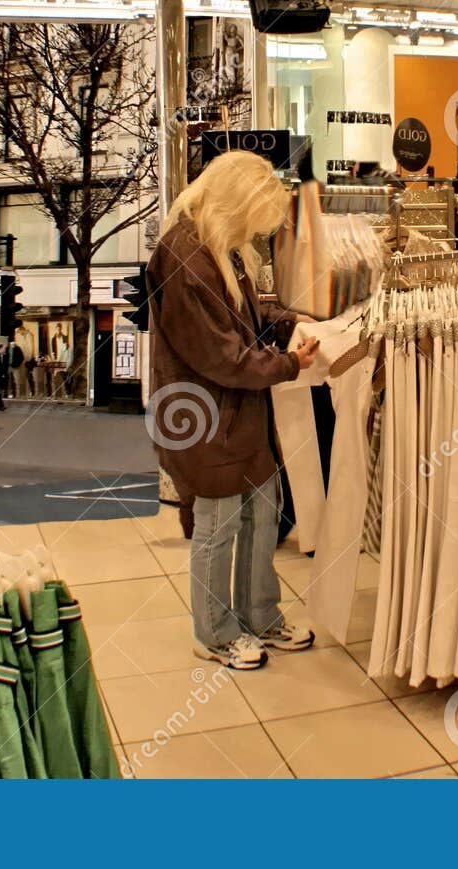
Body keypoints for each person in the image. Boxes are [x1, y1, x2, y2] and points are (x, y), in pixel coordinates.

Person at [147, 150, 320, 671]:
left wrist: (291, 323)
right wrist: (288, 364)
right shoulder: (183, 257)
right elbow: (219, 354)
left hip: (234, 413)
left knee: (261, 516)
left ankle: (258, 616)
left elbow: (244, 316)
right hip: (205, 417)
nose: (257, 233)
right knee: (218, 525)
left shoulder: (216, 247)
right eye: (255, 220)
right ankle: (216, 632)